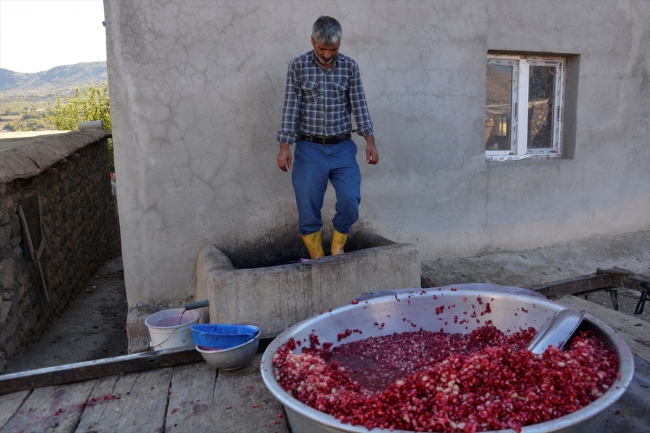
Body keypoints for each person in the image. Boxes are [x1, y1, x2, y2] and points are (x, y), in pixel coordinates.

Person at [276, 16, 379, 259]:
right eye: (322, 49)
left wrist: (370, 142)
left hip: (342, 147)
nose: (327, 55)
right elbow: (291, 107)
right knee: (308, 205)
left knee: (350, 200)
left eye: (333, 49)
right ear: (312, 41)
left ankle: (337, 246)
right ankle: (316, 256)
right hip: (309, 149)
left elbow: (359, 106)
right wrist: (284, 146)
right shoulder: (298, 65)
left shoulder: (349, 67)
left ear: (340, 44)